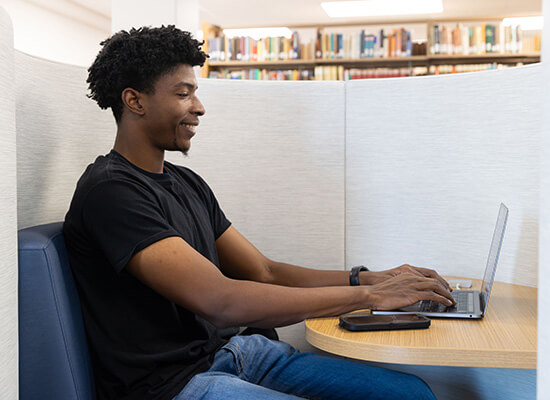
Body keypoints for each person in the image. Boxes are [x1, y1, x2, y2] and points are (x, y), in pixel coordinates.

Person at [63, 25, 456, 400]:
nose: (198, 107)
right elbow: (221, 302)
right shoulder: (110, 191)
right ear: (135, 101)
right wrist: (370, 295)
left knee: (411, 394)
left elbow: (263, 271)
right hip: (173, 387)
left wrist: (367, 277)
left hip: (236, 355)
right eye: (183, 93)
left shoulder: (186, 182)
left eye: (195, 93)